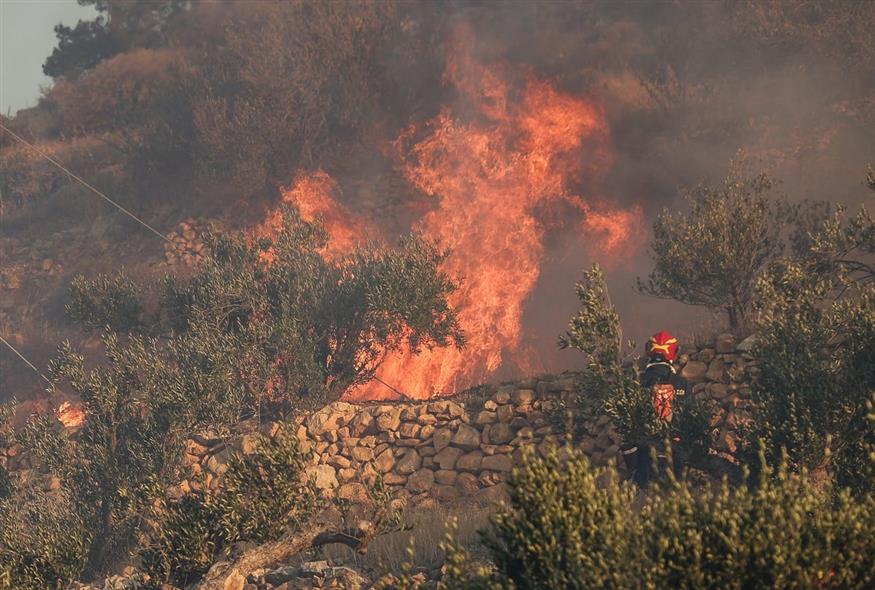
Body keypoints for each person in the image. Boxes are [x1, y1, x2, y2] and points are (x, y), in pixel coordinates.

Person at [631, 330, 689, 487]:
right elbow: (690, 416)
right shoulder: (681, 383)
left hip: (645, 450)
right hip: (675, 448)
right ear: (674, 353)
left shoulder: (638, 382)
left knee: (642, 495)